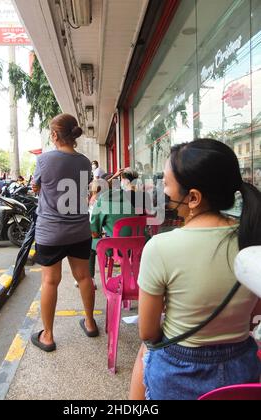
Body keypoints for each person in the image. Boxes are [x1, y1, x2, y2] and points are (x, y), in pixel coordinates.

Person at [129, 138, 261, 400]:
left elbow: (148, 332)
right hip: (243, 369)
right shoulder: (252, 239)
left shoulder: (160, 247)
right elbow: (254, 313)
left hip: (177, 371)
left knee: (144, 351)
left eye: (166, 185)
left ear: (193, 198)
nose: (162, 192)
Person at [31, 113, 99, 352]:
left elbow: (35, 187)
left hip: (50, 231)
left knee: (50, 281)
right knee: (84, 277)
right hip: (79, 230)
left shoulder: (44, 160)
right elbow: (84, 192)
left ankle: (48, 336)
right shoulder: (83, 162)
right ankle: (90, 323)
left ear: (54, 135)